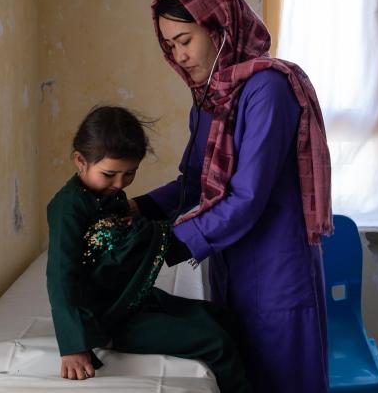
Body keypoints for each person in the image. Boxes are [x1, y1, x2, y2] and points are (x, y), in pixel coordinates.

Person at [131, 0, 333, 392]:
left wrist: (161, 248)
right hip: (231, 267)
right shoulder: (211, 100)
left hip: (277, 271)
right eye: (170, 46)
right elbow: (194, 182)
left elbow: (246, 197)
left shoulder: (268, 91)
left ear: (220, 28)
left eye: (185, 40)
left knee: (282, 380)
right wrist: (136, 210)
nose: (179, 56)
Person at [45, 105, 251, 392]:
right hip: (109, 318)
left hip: (133, 299)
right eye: (110, 174)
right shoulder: (67, 209)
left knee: (223, 319)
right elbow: (60, 276)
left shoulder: (107, 195)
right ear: (80, 160)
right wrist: (73, 346)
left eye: (129, 174)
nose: (119, 184)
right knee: (217, 342)